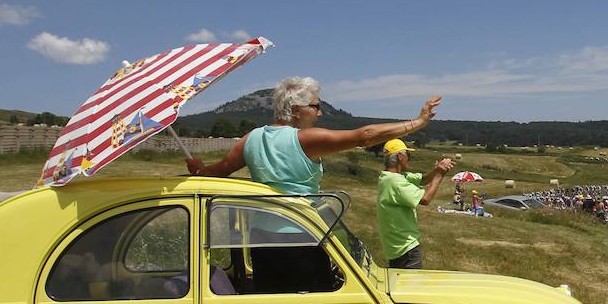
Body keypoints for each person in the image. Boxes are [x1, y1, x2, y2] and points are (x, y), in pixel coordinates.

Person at [186, 76, 442, 194]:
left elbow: (216, 173)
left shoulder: (250, 138)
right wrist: (418, 122)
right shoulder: (304, 140)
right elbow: (365, 136)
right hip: (300, 234)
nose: (319, 113)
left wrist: (198, 169)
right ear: (297, 111)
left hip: (260, 234)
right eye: (316, 107)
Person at [375, 139, 454, 269]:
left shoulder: (389, 176)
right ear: (400, 157)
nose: (409, 159)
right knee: (409, 286)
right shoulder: (395, 182)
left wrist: (436, 170)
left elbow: (422, 180)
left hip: (396, 248)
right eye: (408, 155)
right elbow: (425, 199)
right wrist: (440, 174)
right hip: (405, 248)